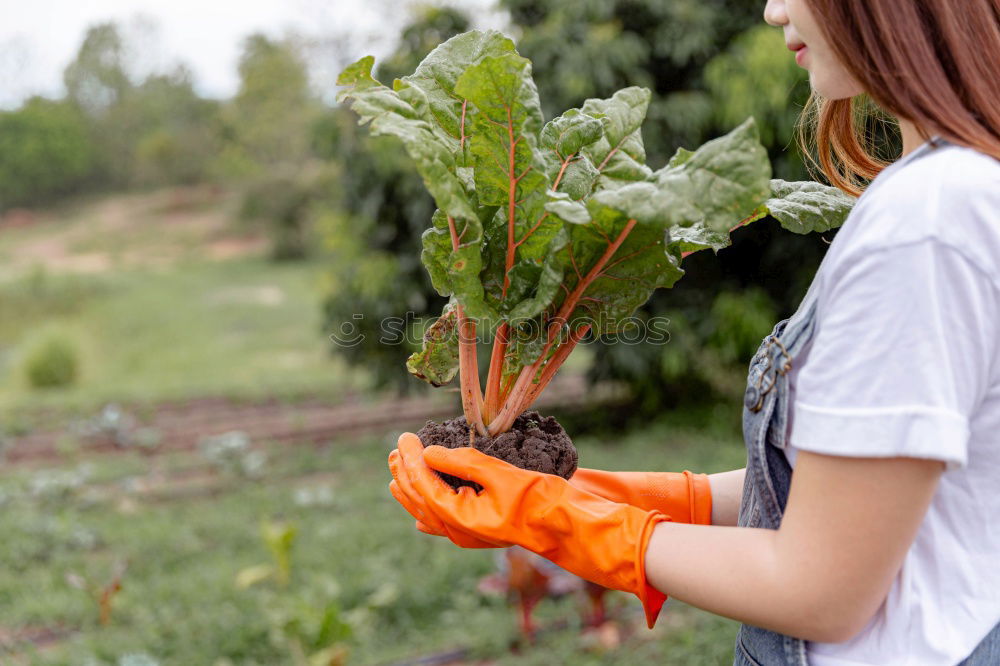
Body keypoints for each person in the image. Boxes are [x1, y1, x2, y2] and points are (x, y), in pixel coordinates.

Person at [388, 0, 1000, 663]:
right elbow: (844, 497)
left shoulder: (928, 220)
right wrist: (598, 496)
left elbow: (820, 590)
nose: (772, 10)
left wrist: (554, 518)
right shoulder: (945, 194)